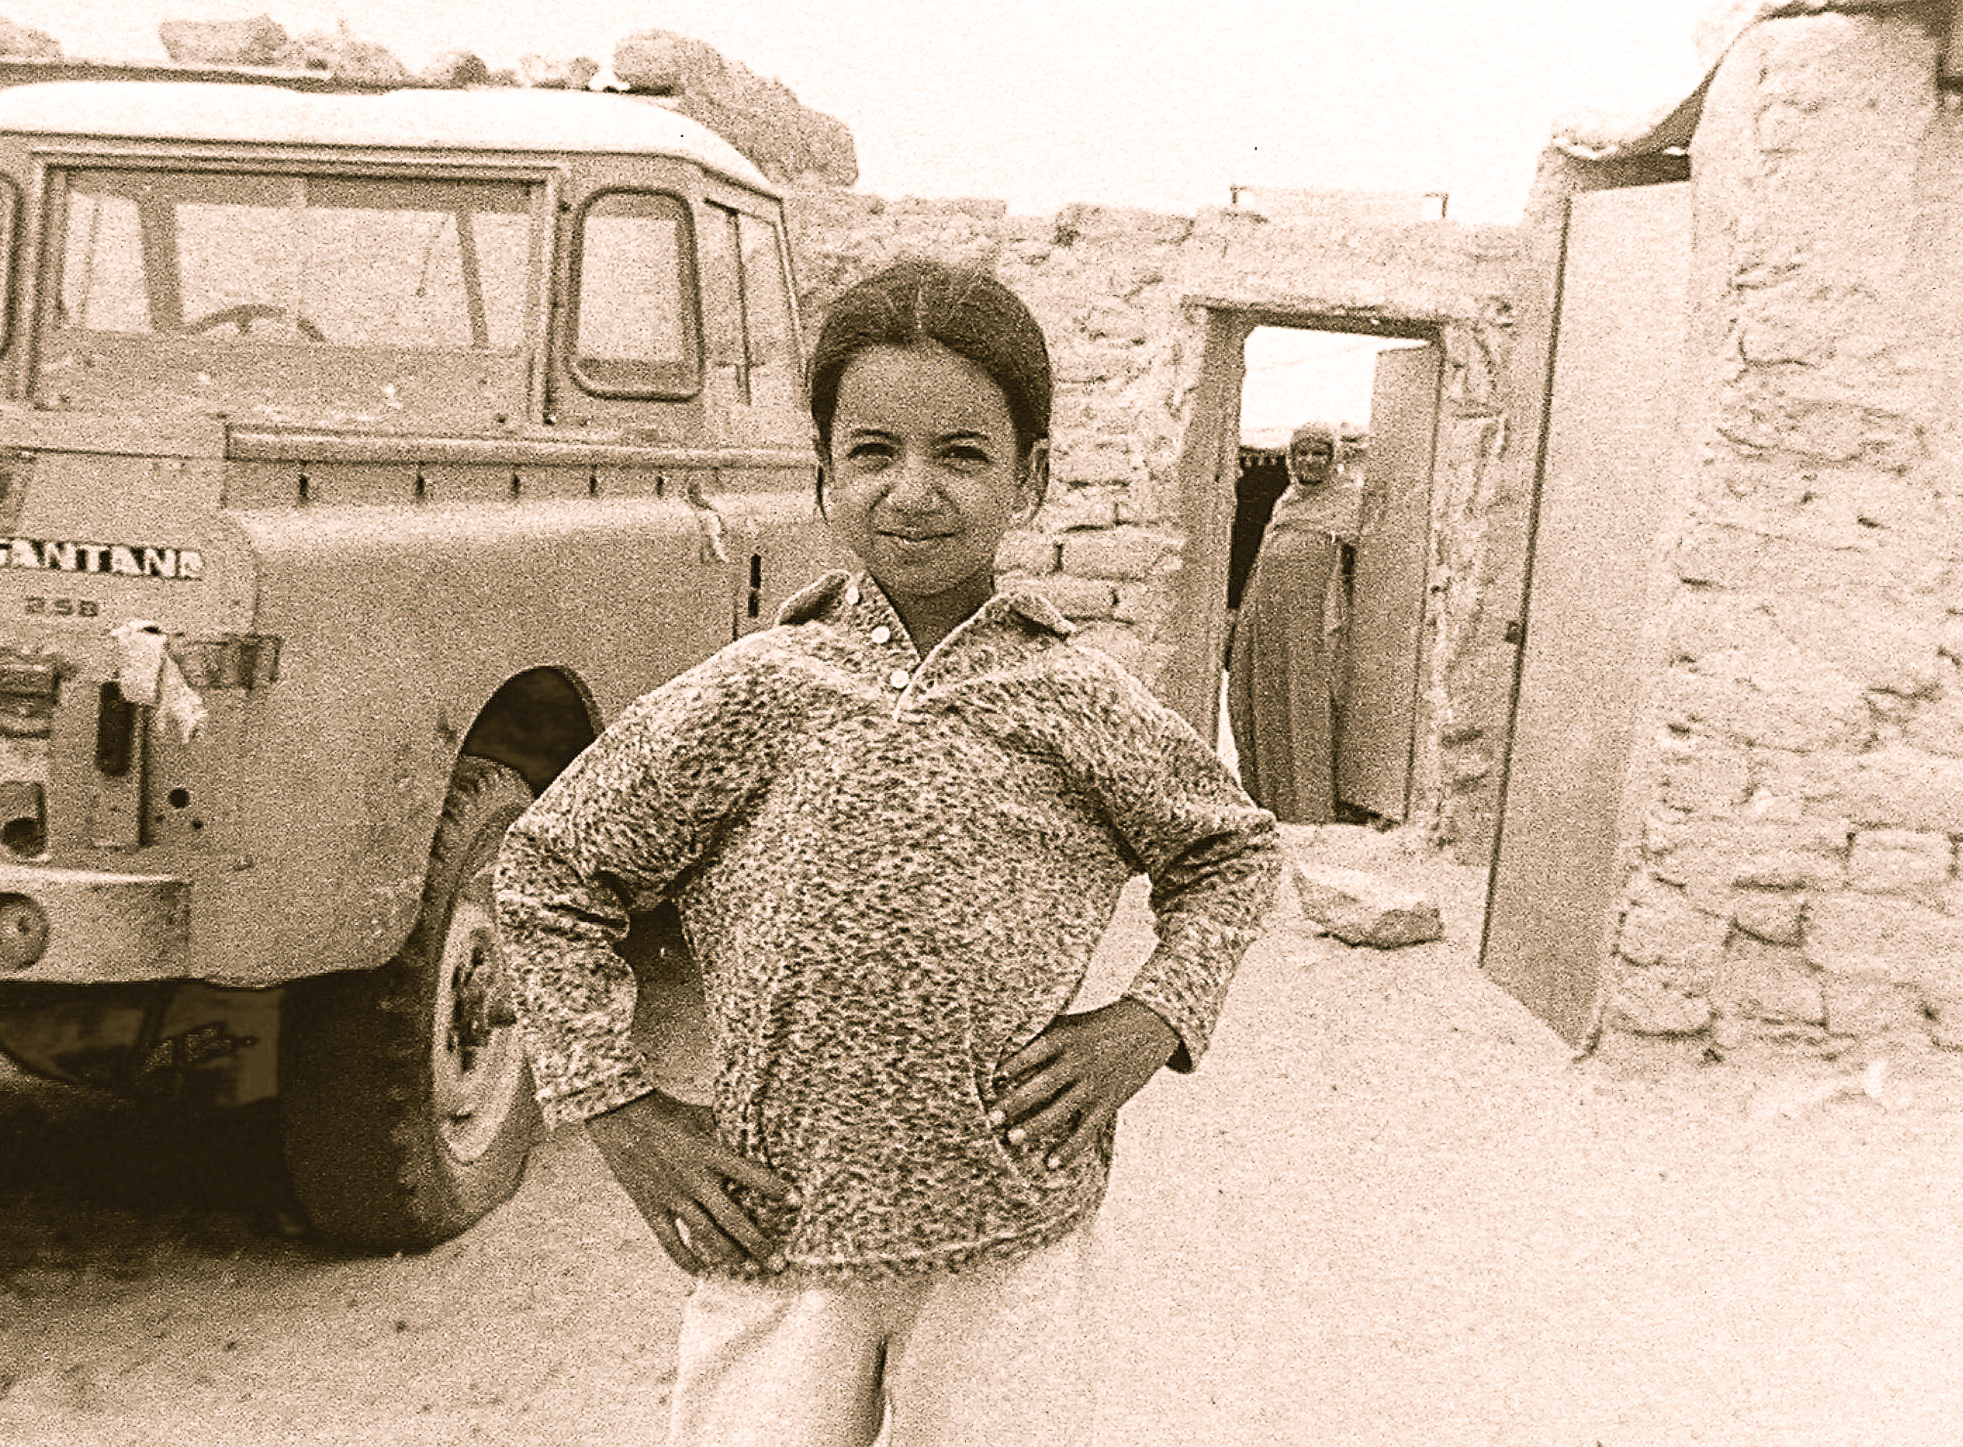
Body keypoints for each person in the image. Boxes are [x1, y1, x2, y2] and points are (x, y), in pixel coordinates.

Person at [495, 258, 1279, 1447]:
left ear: (1030, 478)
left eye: (961, 454)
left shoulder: (1077, 699)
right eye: (872, 452)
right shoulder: (755, 689)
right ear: (824, 474)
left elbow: (1230, 852)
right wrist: (614, 1103)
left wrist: (1151, 1019)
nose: (913, 490)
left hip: (1012, 1227)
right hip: (777, 1228)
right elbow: (550, 870)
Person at [1225, 420, 1364, 824]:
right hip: (1269, 625)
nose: (1311, 461)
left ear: (1333, 458)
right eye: (1303, 452)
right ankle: (1270, 798)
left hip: (1313, 630)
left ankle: (1311, 805)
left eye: (1320, 453)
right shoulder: (1284, 502)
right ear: (1291, 458)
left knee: (1308, 706)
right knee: (1266, 704)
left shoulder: (1349, 502)